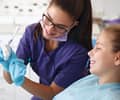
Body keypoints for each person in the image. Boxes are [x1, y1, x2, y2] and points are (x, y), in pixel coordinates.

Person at [0, 0, 92, 100]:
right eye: (48, 18)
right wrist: (7, 64)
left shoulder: (78, 53)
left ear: (74, 24)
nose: (49, 29)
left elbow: (52, 93)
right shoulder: (32, 33)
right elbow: (9, 80)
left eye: (60, 26)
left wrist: (21, 80)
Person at [53, 24, 120, 100]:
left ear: (117, 58)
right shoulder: (94, 78)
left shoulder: (112, 97)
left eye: (98, 48)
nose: (89, 53)